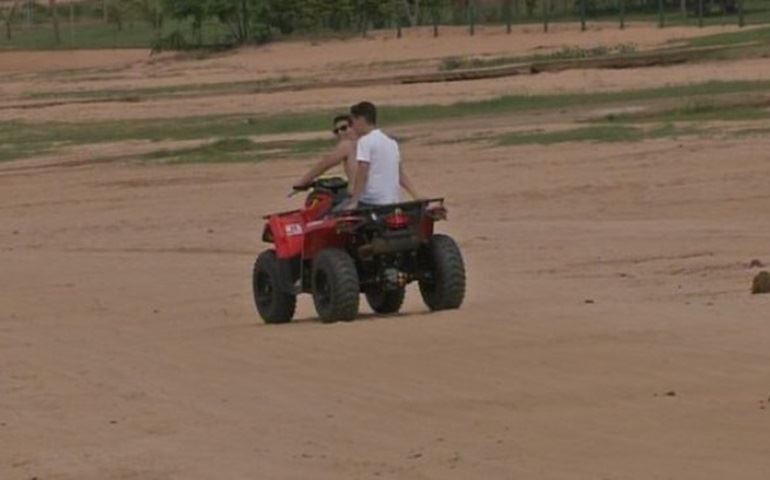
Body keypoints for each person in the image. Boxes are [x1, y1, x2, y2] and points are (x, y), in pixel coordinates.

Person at [346, 101, 420, 210]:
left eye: (353, 122)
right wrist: (416, 196)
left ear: (361, 119)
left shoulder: (365, 141)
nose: (352, 127)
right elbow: (400, 174)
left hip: (372, 201)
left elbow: (363, 171)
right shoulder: (391, 143)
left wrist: (354, 201)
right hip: (392, 201)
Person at [293, 114, 358, 190]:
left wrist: (303, 181)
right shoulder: (370, 140)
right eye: (336, 131)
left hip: (363, 197)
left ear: (355, 127)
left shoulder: (347, 145)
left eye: (344, 128)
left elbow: (324, 164)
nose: (340, 132)